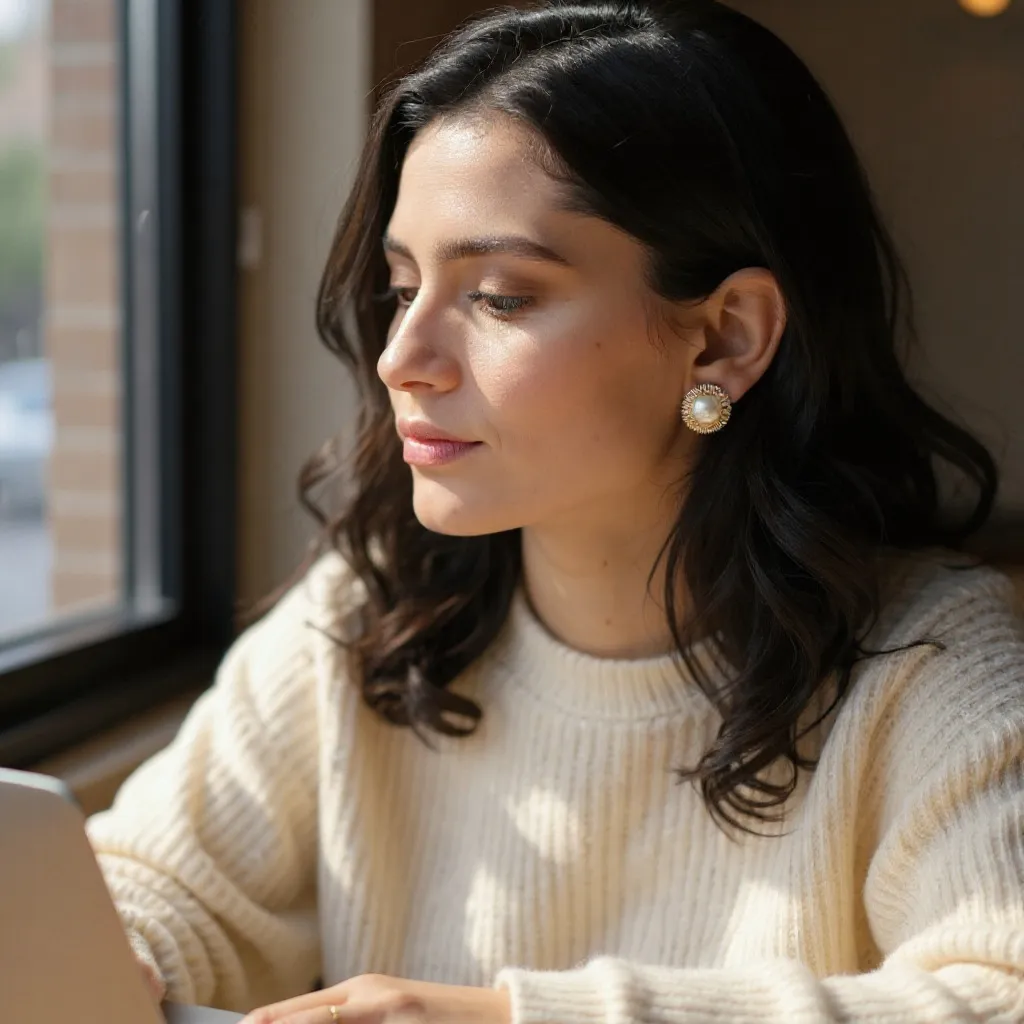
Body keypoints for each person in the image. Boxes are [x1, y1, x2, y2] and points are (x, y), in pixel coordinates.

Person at [88, 1, 1024, 1021]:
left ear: (723, 339)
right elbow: (160, 889)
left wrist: (507, 1018)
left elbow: (993, 995)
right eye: (403, 286)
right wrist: (116, 954)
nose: (403, 357)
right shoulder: (369, 616)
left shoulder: (932, 664)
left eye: (498, 296)